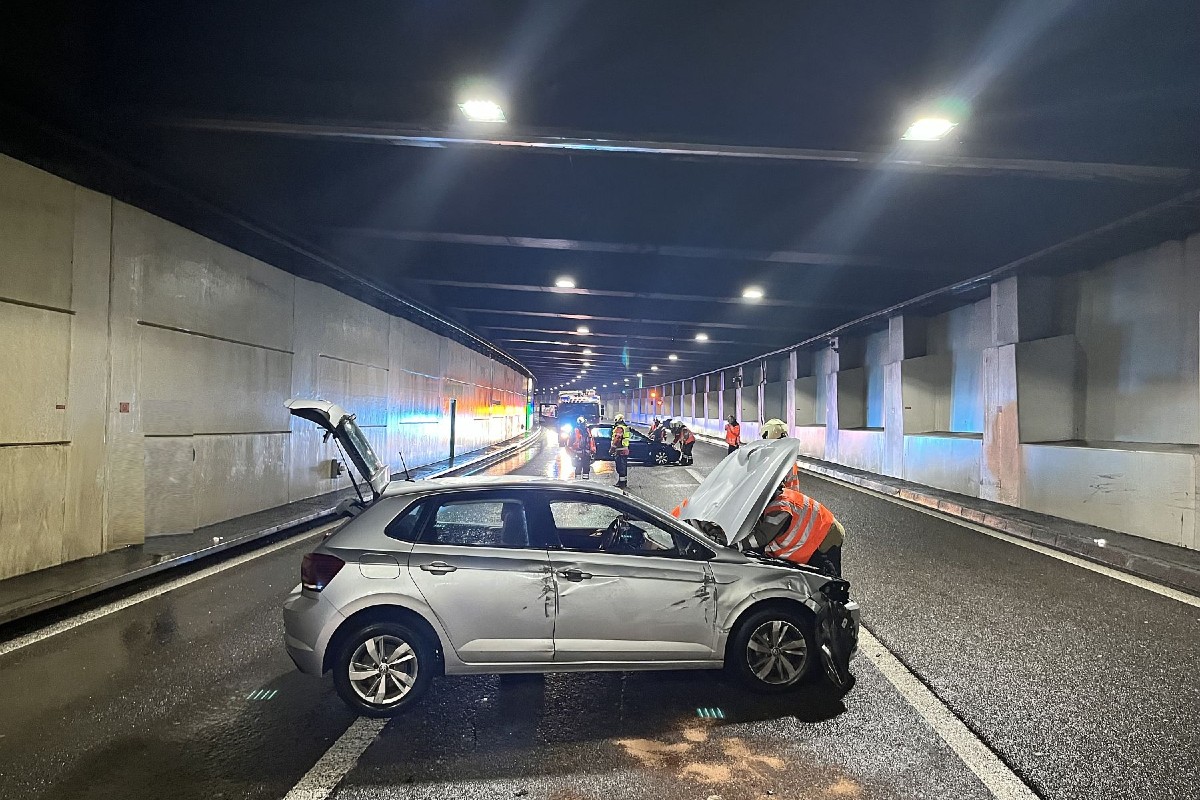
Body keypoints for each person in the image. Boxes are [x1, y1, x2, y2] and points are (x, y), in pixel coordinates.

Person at [745, 478, 845, 577]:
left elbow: (761, 537)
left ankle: (836, 590)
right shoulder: (780, 498)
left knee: (828, 578)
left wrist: (738, 545)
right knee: (818, 576)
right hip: (820, 533)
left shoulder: (780, 507)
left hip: (826, 535)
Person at [610, 414, 632, 488]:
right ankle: (624, 482)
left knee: (620, 467)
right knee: (623, 467)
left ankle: (621, 483)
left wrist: (612, 449)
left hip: (620, 450)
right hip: (625, 450)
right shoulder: (625, 427)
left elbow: (617, 439)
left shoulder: (619, 428)